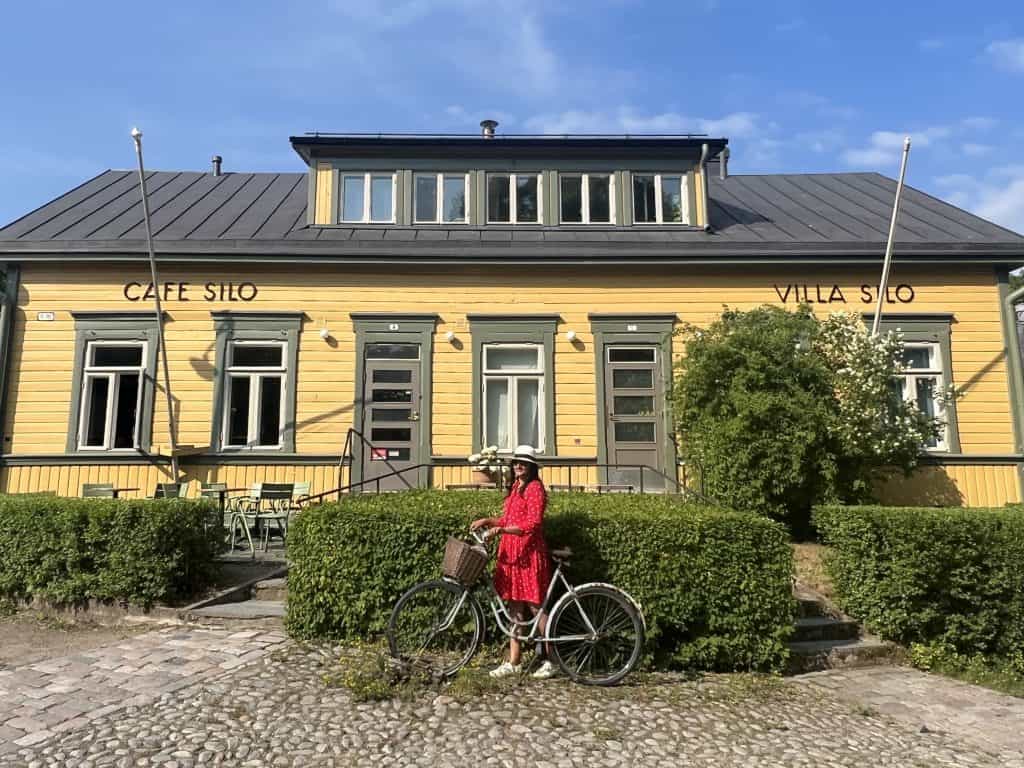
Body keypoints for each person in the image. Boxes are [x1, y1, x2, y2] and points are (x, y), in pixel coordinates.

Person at [470, 444, 556, 679]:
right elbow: (508, 518)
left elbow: (533, 523)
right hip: (512, 554)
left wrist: (502, 530)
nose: (518, 465)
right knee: (515, 607)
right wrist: (489, 521)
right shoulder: (516, 486)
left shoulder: (535, 489)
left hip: (528, 554)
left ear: (531, 466)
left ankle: (552, 659)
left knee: (536, 608)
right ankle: (514, 661)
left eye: (523, 462)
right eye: (516, 462)